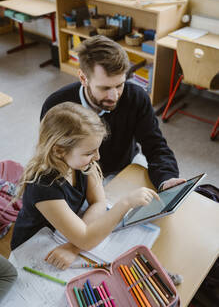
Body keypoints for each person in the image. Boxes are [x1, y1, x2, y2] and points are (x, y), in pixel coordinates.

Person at [11, 102, 159, 270]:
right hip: (34, 247)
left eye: (96, 149)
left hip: (65, 238)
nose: (97, 157)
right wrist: (125, 204)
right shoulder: (43, 185)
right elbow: (86, 238)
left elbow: (99, 202)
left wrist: (74, 246)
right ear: (59, 151)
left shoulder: (82, 163)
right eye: (89, 153)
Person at [40, 35, 184, 191]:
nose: (114, 96)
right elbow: (52, 158)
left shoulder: (136, 97)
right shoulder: (56, 105)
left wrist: (167, 179)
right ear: (83, 78)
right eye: (105, 88)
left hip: (126, 165)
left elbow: (156, 146)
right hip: (79, 174)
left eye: (119, 85)